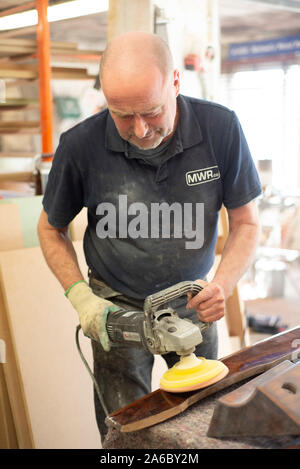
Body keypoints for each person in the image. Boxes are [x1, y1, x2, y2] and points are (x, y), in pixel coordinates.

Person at [37, 31, 261, 442]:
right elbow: (50, 229)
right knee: (128, 433)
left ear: (175, 82)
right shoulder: (80, 146)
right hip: (117, 314)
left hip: (194, 302)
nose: (140, 130)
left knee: (200, 428)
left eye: (153, 112)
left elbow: (247, 222)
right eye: (122, 114)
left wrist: (222, 285)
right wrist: (81, 298)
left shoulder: (220, 128)